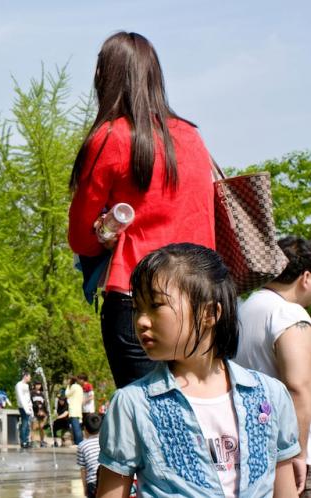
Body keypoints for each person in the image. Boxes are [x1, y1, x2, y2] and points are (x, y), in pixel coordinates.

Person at [68, 32, 217, 389]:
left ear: (106, 75)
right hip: (201, 298)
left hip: (140, 296)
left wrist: (105, 233)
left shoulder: (111, 136)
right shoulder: (192, 136)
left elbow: (80, 239)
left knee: (146, 422)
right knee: (199, 415)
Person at [97, 243, 300, 497]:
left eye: (156, 305)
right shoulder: (132, 404)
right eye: (138, 308)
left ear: (209, 313)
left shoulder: (270, 395)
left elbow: (285, 491)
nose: (141, 320)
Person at [234, 236, 311, 495]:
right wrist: (297, 456)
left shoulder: (244, 309)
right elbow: (298, 386)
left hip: (253, 449)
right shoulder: (289, 313)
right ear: (306, 277)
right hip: (291, 458)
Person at [77, 413, 103, 498]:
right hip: (105, 479)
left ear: (85, 429)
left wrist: (85, 487)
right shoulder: (105, 442)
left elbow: (83, 470)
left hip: (92, 483)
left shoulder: (82, 446)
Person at [14, 371, 32, 449]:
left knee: (27, 424)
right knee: (24, 423)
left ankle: (26, 440)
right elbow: (21, 397)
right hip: (22, 407)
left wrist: (30, 407)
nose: (30, 378)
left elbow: (28, 397)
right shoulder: (19, 385)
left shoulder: (26, 386)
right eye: (29, 376)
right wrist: (26, 409)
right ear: (25, 376)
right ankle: (23, 441)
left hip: (28, 407)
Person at [65, 376, 84, 445]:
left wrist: (67, 386)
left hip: (73, 410)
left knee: (76, 428)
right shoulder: (80, 387)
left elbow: (67, 394)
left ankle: (79, 443)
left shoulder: (73, 387)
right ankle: (80, 442)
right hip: (78, 409)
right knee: (78, 427)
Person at [30, 382, 48, 447]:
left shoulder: (42, 394)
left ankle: (42, 441)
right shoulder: (32, 393)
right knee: (34, 427)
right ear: (34, 385)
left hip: (42, 413)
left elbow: (44, 404)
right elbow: (32, 403)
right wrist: (37, 410)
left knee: (41, 427)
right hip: (35, 413)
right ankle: (33, 441)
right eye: (37, 384)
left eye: (39, 385)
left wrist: (44, 412)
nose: (38, 386)